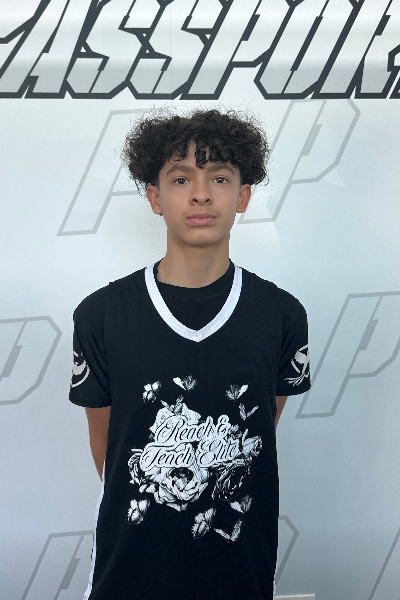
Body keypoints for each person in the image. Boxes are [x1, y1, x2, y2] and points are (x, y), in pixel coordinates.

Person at [69, 107, 311, 600]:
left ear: (243, 195)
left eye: (219, 177)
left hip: (239, 566)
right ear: (155, 197)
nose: (201, 194)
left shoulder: (282, 314)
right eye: (181, 179)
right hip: (131, 565)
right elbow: (108, 446)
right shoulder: (100, 315)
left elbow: (260, 425)